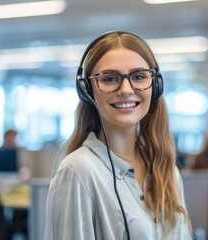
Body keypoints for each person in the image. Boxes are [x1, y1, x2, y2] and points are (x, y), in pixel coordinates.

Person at [44, 31, 192, 240]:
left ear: (155, 85)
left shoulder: (166, 170)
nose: (125, 89)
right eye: (110, 78)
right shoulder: (78, 171)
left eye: (139, 76)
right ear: (87, 90)